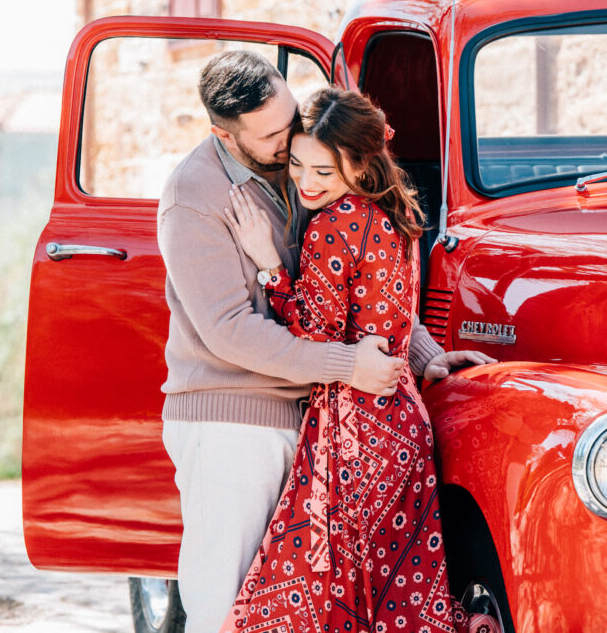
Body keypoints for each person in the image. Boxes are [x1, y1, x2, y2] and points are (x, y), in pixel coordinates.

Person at [157, 51, 489, 633]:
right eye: (272, 137)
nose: (289, 143)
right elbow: (228, 329)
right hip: (235, 423)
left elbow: (364, 295)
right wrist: (347, 365)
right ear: (224, 135)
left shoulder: (308, 169)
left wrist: (423, 356)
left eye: (289, 121)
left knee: (305, 611)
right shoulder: (195, 194)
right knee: (227, 607)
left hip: (320, 419)